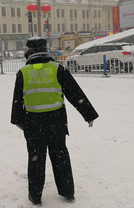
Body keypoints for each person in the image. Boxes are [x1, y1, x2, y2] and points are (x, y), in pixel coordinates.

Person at [11, 37, 99, 206]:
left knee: (36, 159)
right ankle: (67, 192)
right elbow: (75, 93)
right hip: (56, 122)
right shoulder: (57, 69)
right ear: (46, 50)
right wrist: (89, 114)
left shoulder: (23, 73)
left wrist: (18, 120)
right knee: (60, 157)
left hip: (33, 123)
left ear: (28, 52)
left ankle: (35, 196)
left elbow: (17, 100)